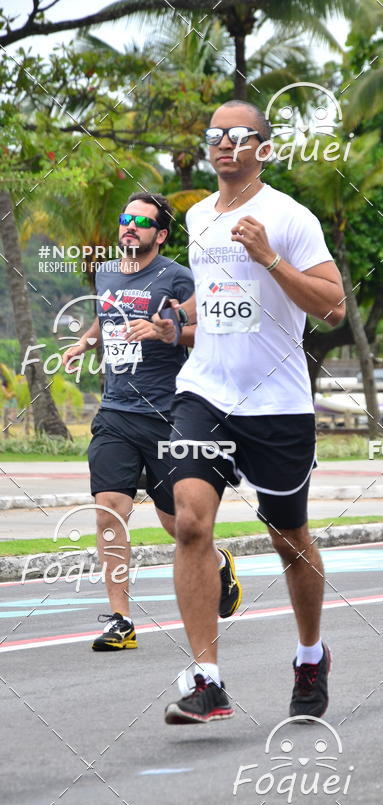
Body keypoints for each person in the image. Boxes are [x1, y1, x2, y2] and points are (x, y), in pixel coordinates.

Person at [163, 100, 345, 725]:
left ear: (263, 149)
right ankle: (207, 679)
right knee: (189, 523)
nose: (224, 144)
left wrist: (270, 257)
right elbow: (218, 311)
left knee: (288, 537)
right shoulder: (195, 219)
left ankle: (311, 655)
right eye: (214, 134)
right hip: (204, 392)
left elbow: (333, 308)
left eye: (239, 136)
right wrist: (176, 326)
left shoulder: (289, 218)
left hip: (276, 403)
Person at [61, 192, 242, 652]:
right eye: (125, 219)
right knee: (109, 508)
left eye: (141, 223)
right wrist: (85, 342)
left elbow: (209, 328)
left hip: (167, 415)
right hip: (116, 413)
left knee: (180, 526)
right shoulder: (105, 272)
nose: (130, 227)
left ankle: (218, 563)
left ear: (160, 235)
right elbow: (108, 317)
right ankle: (120, 619)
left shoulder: (178, 277)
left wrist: (170, 330)